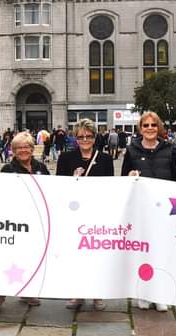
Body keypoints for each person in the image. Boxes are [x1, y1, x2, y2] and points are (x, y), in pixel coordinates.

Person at [121, 112, 176, 312]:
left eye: (154, 124)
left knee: (162, 251)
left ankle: (160, 294)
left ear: (159, 127)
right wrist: (130, 175)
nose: (150, 128)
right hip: (141, 210)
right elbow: (124, 178)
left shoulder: (169, 150)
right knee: (143, 252)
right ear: (140, 128)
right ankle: (143, 293)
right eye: (146, 125)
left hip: (163, 209)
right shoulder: (132, 150)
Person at [57, 118, 113, 311]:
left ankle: (97, 293)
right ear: (75, 138)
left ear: (94, 136)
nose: (85, 139)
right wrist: (74, 180)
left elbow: (110, 187)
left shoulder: (104, 158)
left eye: (88, 136)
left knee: (96, 255)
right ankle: (77, 293)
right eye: (81, 136)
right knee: (76, 254)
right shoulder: (66, 158)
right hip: (75, 214)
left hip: (97, 214)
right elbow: (59, 186)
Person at [0, 131, 48, 308]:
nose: (23, 150)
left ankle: (27, 292)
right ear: (13, 150)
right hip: (14, 221)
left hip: (36, 220)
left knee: (30, 256)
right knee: (7, 257)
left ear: (33, 149)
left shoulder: (41, 167)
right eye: (19, 148)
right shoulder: (7, 170)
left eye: (27, 147)